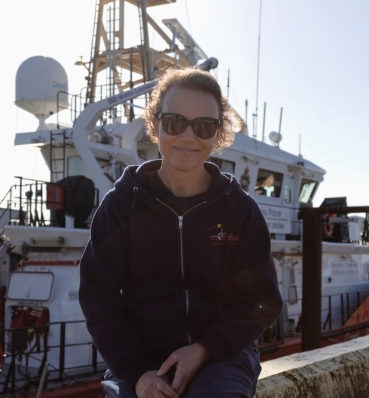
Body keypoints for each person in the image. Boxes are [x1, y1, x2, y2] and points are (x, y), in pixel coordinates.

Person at [79, 67, 283, 398]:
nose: (188, 136)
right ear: (155, 123)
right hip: (140, 360)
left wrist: (203, 349)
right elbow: (99, 298)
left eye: (204, 126)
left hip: (222, 356)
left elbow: (263, 298)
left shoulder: (240, 210)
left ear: (218, 135)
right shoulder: (119, 207)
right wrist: (138, 374)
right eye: (175, 122)